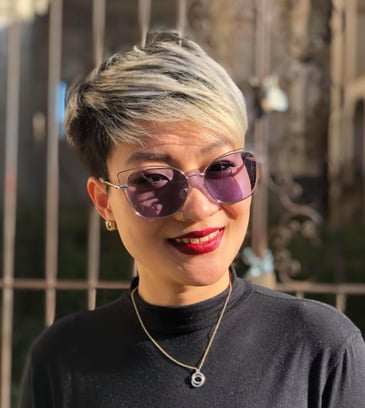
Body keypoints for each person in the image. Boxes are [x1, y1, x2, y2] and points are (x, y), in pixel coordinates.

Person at [19, 31, 365, 408]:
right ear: (104, 202)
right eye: (154, 179)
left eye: (221, 167)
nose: (199, 208)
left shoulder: (321, 348)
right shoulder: (62, 362)